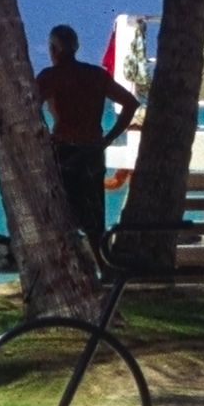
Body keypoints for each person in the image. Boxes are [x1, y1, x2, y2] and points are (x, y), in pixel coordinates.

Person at [32, 24, 138, 249]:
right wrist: (109, 138)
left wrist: (41, 138)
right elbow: (131, 103)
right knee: (94, 219)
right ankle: (102, 266)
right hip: (92, 149)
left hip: (64, 149)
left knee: (61, 215)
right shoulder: (95, 75)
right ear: (76, 47)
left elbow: (29, 109)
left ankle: (74, 265)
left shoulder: (51, 76)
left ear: (53, 49)